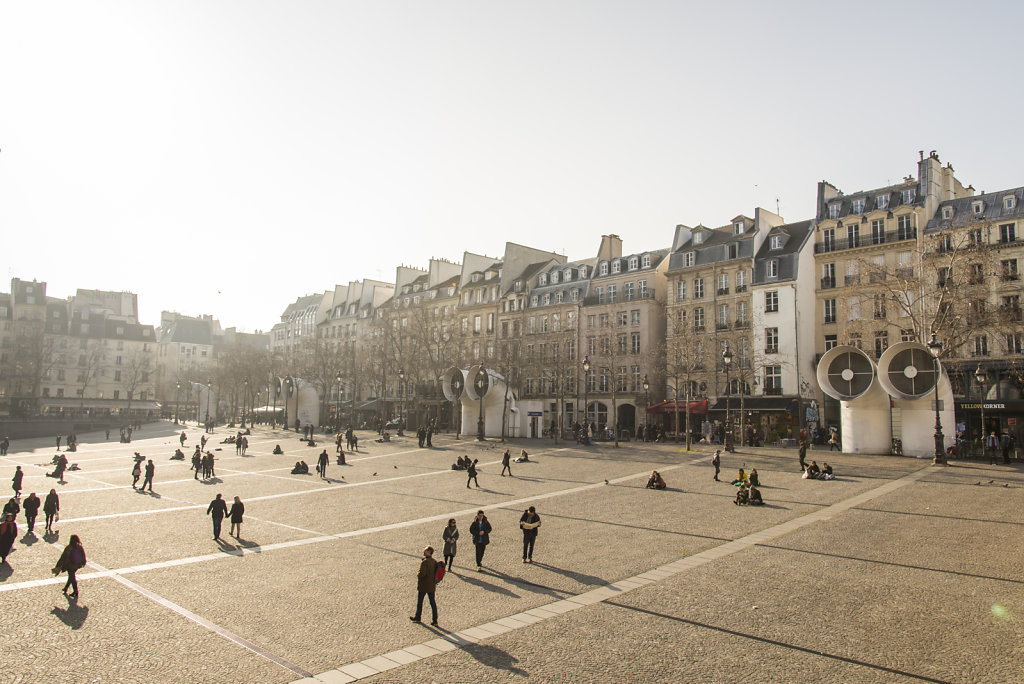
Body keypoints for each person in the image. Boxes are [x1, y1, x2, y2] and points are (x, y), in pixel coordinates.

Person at [409, 546, 439, 626]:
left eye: (425, 550)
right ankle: (435, 620)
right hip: (431, 585)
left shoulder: (425, 562)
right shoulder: (434, 561)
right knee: (432, 602)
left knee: (420, 602)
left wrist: (417, 574)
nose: (424, 551)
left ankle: (418, 617)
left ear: (429, 552)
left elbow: (422, 574)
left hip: (424, 585)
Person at [53, 534, 86, 598]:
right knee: (71, 576)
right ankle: (66, 588)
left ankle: (75, 591)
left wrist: (58, 565)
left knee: (72, 577)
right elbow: (83, 555)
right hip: (77, 565)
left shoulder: (69, 547)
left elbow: (63, 557)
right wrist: (83, 562)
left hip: (69, 565)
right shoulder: (79, 547)